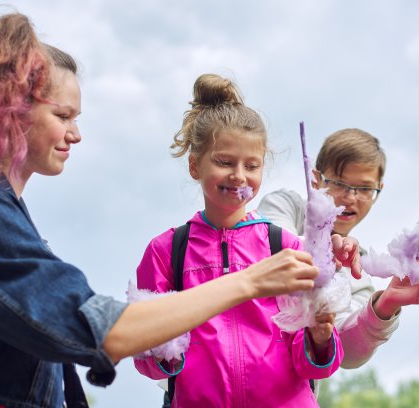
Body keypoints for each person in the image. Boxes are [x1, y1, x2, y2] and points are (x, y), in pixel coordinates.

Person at [0, 14, 321, 408]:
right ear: (10, 110)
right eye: (62, 115)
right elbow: (103, 332)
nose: (76, 133)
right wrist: (248, 281)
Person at [133, 74, 353, 408]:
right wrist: (163, 349)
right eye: (224, 162)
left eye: (252, 165)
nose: (239, 175)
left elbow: (311, 364)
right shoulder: (166, 252)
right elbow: (146, 358)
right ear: (195, 165)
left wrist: (319, 338)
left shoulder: (286, 247)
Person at [258, 128, 419, 380]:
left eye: (364, 188)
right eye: (338, 183)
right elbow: (273, 248)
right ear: (316, 179)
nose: (350, 198)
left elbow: (347, 353)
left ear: (378, 191)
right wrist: (326, 250)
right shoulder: (285, 206)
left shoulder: (359, 270)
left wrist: (385, 306)